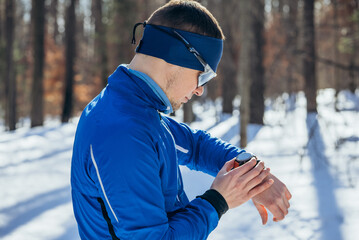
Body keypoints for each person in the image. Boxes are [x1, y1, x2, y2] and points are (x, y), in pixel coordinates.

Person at [71, 0, 292, 239]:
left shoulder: (135, 108)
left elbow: (196, 146)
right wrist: (219, 200)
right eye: (203, 75)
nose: (200, 90)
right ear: (177, 53)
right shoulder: (122, 133)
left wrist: (253, 176)